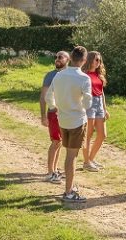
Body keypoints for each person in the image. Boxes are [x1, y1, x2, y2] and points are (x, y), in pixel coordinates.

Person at [46, 45, 93, 203]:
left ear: (71, 58)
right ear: (84, 61)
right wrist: (86, 109)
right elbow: (87, 101)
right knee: (71, 157)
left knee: (68, 155)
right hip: (77, 120)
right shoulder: (84, 78)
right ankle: (69, 192)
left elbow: (48, 96)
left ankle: (70, 187)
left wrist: (54, 107)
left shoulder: (59, 75)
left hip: (62, 120)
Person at [40, 50, 70, 183]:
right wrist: (43, 115)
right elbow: (43, 97)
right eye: (56, 57)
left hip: (66, 113)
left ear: (68, 60)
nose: (57, 59)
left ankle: (55, 169)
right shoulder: (50, 75)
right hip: (53, 113)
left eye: (61, 57)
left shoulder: (70, 75)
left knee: (60, 142)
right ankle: (50, 172)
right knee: (55, 141)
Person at [81, 51, 109, 171]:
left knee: (102, 135)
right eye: (96, 60)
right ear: (90, 60)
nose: (98, 62)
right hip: (89, 104)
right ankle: (87, 163)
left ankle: (90, 159)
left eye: (100, 60)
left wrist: (105, 108)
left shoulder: (99, 75)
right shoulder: (84, 74)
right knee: (88, 135)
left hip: (99, 105)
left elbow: (102, 93)